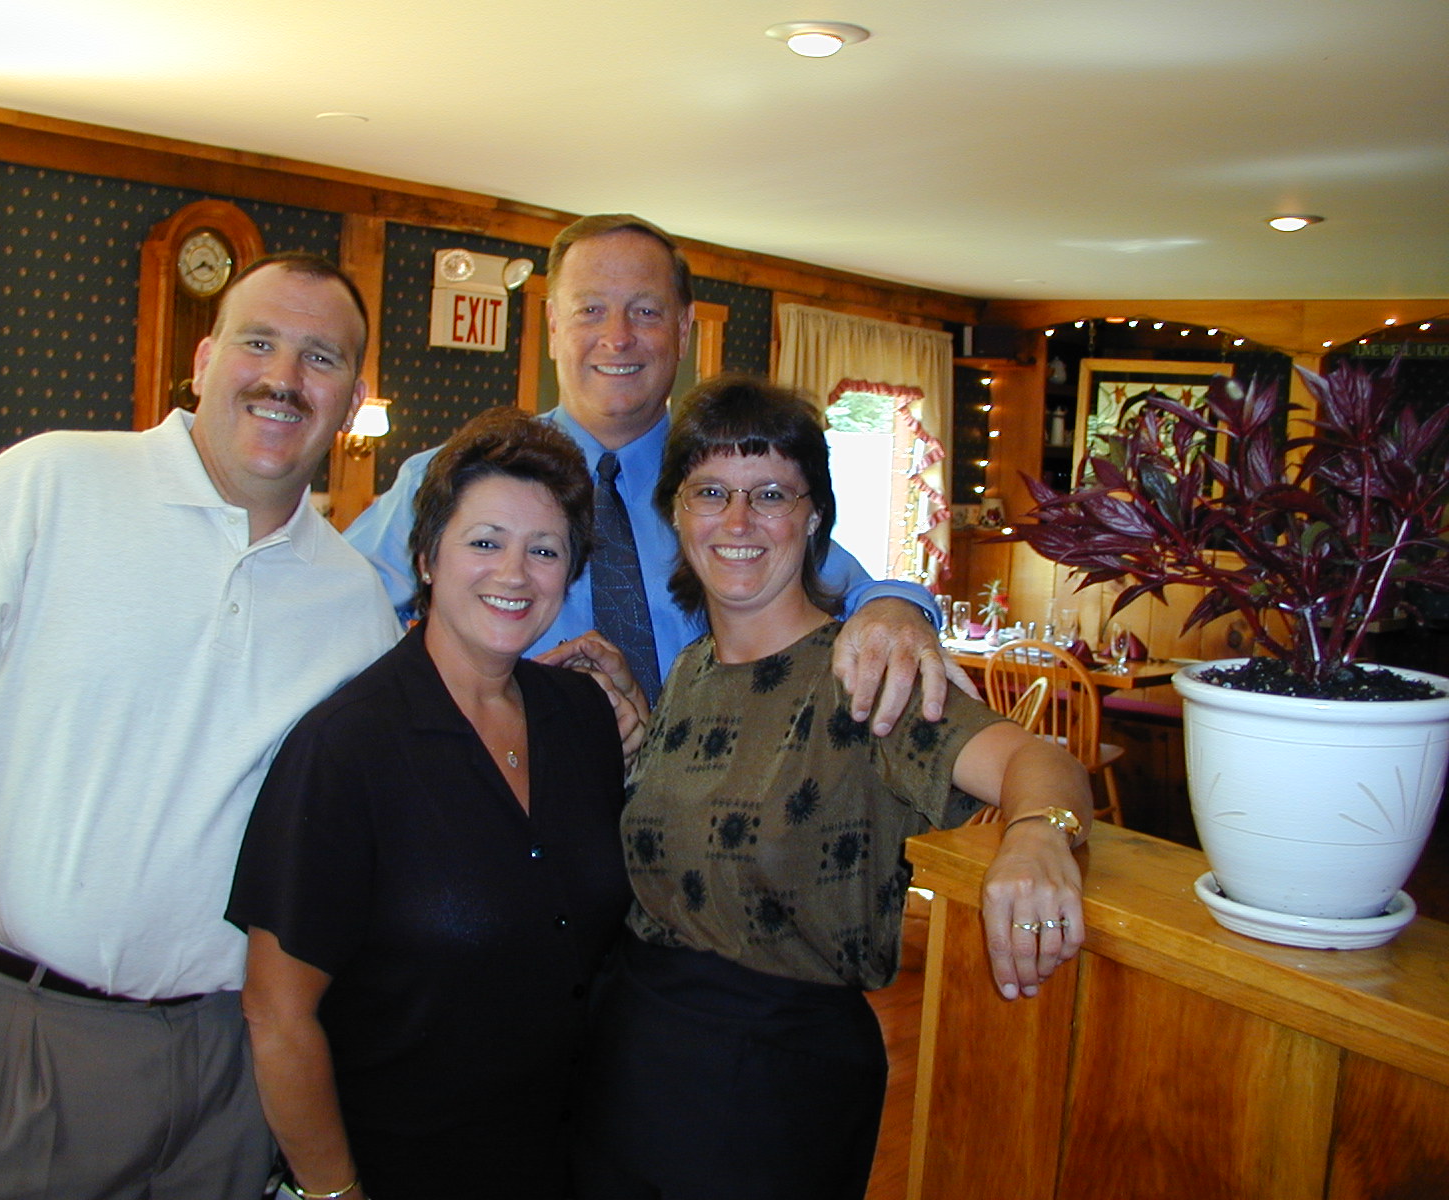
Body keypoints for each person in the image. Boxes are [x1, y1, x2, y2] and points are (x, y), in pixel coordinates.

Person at [0, 254, 402, 1200]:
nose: (284, 377)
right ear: (205, 356)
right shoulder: (52, 483)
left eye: (321, 358)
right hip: (23, 1036)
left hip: (231, 1060)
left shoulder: (355, 604)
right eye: (259, 341)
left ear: (350, 400)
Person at [572, 375, 1092, 1200]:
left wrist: (1037, 830)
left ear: (813, 516)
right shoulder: (694, 669)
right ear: (677, 512)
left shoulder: (866, 672)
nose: (738, 523)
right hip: (631, 1058)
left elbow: (1040, 762)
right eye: (711, 492)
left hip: (771, 1092)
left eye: (770, 493)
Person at [343, 213, 964, 732]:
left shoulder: (727, 494)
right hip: (513, 802)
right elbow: (342, 607)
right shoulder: (459, 478)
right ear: (555, 328)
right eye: (590, 310)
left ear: (684, 330)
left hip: (707, 825)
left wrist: (896, 609)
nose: (618, 338)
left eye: (645, 312)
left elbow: (849, 590)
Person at [228, 407, 631, 1200]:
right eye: (485, 543)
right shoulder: (347, 749)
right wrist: (334, 1193)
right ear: (425, 558)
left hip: (567, 1160)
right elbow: (277, 1016)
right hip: (400, 1165)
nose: (514, 574)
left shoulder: (582, 719)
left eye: (544, 550)